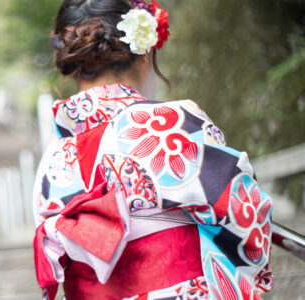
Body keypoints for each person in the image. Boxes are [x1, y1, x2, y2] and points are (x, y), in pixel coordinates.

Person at [32, 1, 274, 299]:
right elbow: (242, 208)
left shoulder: (52, 159)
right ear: (144, 52)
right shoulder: (170, 123)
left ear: (68, 60)